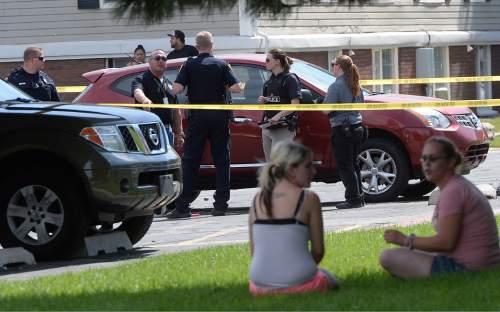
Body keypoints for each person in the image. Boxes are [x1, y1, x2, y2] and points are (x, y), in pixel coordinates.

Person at [380, 136, 500, 278]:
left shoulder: (453, 191)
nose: (427, 164)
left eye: (433, 159)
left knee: (388, 256)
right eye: (424, 158)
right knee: (411, 254)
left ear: (450, 162)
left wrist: (404, 240)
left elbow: (446, 243)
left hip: (467, 268)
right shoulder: (456, 186)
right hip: (482, 264)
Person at [248, 141, 338, 296]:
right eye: (308, 166)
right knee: (328, 278)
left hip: (260, 286)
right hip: (300, 281)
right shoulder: (308, 198)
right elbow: (318, 251)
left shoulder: (258, 199)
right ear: (291, 170)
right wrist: (297, 269)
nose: (314, 171)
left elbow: (254, 251)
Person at [168, 31, 242, 219]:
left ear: (196, 45)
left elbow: (176, 89)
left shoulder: (189, 64)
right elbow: (236, 88)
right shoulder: (222, 64)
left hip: (198, 119)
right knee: (222, 161)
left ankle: (183, 206)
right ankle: (220, 205)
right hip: (219, 119)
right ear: (212, 45)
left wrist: (183, 77)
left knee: (191, 161)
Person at [323, 55, 365, 209]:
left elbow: (326, 111)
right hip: (357, 127)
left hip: (342, 129)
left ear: (339, 67)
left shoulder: (336, 86)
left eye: (333, 64)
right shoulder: (355, 84)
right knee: (354, 164)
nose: (332, 66)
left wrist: (321, 104)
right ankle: (359, 198)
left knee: (345, 166)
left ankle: (353, 199)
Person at [131, 49, 184, 149]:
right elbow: (137, 91)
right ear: (150, 62)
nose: (161, 61)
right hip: (149, 130)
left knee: (167, 162)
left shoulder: (168, 83)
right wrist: (144, 100)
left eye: (164, 59)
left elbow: (176, 111)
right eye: (157, 58)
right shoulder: (141, 79)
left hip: (167, 130)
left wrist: (179, 134)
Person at [258, 48, 301, 162]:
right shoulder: (269, 81)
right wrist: (264, 101)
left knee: (279, 166)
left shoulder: (290, 79)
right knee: (271, 167)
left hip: (283, 128)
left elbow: (295, 105)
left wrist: (279, 116)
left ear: (277, 61)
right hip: (268, 128)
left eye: (268, 60)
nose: (265, 62)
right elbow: (274, 101)